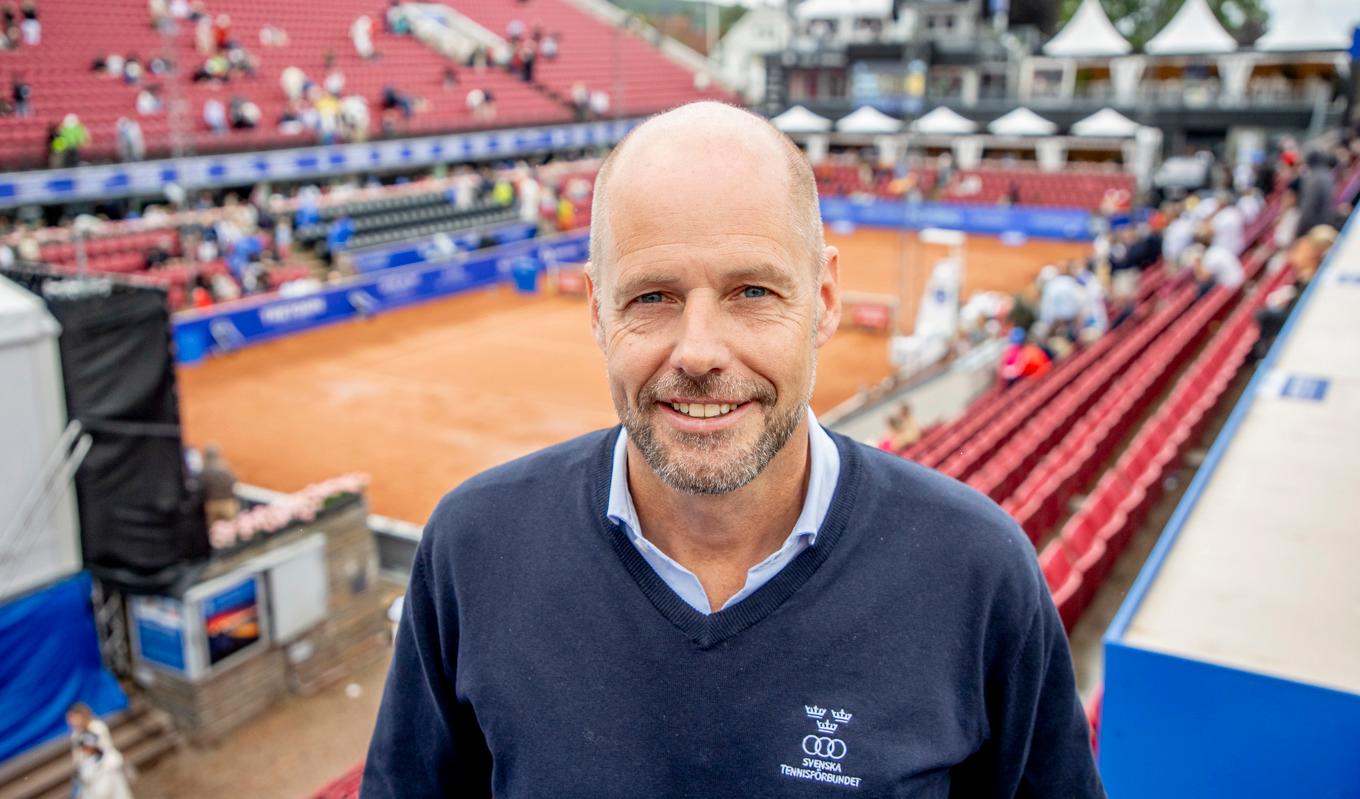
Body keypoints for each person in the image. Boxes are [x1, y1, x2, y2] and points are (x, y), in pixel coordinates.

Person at [362, 102, 1102, 797]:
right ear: (597, 310)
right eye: (653, 296)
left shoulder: (979, 570)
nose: (700, 352)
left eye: (751, 291)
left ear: (825, 297)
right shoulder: (469, 549)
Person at [73, 733, 133, 799]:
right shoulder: (83, 767)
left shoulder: (111, 756)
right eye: (84, 747)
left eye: (87, 746)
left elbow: (128, 772)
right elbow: (84, 790)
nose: (86, 749)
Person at [200, 444, 239, 524]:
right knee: (231, 529)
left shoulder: (204, 470)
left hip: (212, 505)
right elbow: (234, 481)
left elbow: (201, 488)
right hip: (228, 504)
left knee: (213, 532)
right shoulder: (225, 467)